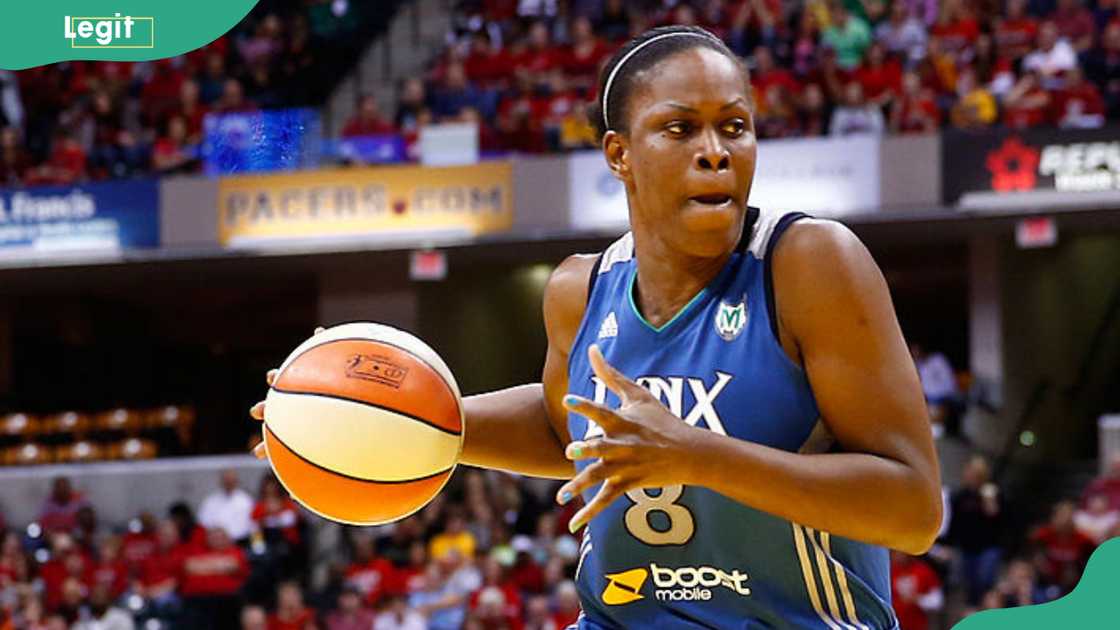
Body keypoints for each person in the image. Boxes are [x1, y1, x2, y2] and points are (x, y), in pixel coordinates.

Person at [251, 25, 942, 628]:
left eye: (734, 126)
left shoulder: (808, 264)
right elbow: (572, 430)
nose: (715, 151)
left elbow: (912, 512)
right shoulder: (579, 290)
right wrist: (399, 420)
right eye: (680, 128)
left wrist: (700, 456)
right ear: (619, 155)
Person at [197, 470, 255, 545]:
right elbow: (203, 523)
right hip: (216, 544)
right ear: (221, 481)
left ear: (237, 481)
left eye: (231, 480)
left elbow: (253, 526)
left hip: (241, 542)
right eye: (226, 480)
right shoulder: (210, 501)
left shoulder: (246, 500)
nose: (229, 483)